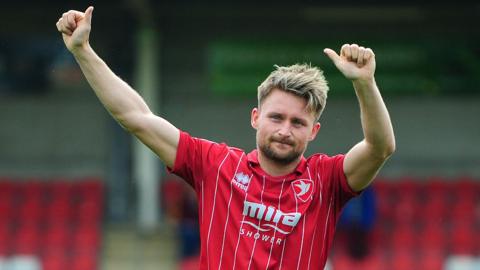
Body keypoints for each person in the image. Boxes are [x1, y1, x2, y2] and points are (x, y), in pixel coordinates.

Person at [56, 6, 395, 269]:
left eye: (297, 122)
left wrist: (364, 83)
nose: (284, 130)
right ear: (255, 117)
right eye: (276, 117)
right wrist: (83, 50)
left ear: (314, 131)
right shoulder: (215, 165)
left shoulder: (327, 180)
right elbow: (136, 118)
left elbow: (380, 148)